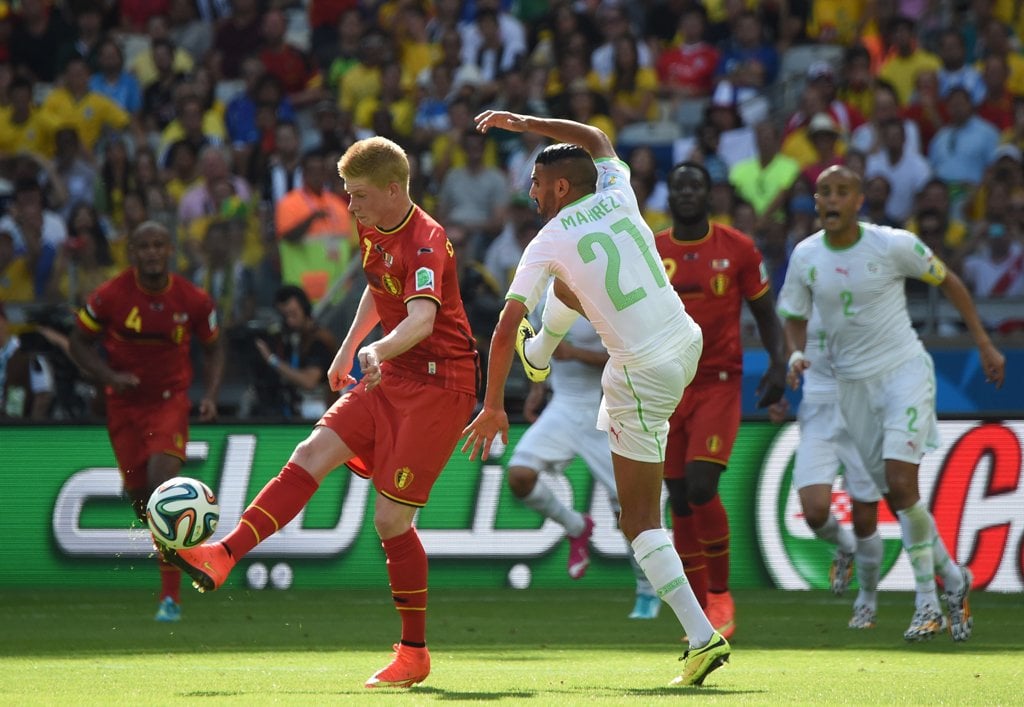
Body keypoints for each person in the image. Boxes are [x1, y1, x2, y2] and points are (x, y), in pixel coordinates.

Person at [159, 136, 479, 690]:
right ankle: (223, 554)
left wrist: (375, 349)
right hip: (394, 373)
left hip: (440, 385)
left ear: (393, 189)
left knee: (390, 521)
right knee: (311, 452)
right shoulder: (372, 226)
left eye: (357, 196)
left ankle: (414, 651)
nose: (349, 207)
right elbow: (377, 287)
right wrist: (349, 344)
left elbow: (423, 320)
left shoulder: (427, 240)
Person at [462, 110, 730, 687]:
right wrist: (525, 122)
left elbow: (504, 325)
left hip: (639, 372)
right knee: (569, 286)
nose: (531, 194)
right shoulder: (618, 189)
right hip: (685, 343)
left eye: (535, 184)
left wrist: (492, 404)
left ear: (559, 187)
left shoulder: (548, 237)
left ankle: (701, 638)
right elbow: (598, 138)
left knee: (638, 521)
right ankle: (544, 355)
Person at [777, 165, 1005, 642]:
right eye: (824, 192)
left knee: (902, 484)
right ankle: (955, 577)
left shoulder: (894, 244)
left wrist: (983, 343)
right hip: (850, 388)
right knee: (900, 497)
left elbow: (951, 282)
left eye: (843, 191)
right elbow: (794, 314)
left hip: (904, 373)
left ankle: (927, 604)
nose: (832, 199)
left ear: (860, 200)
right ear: (816, 202)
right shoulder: (805, 256)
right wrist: (797, 352)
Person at [654, 162, 787, 641]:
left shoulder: (738, 248)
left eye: (696, 185)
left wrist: (777, 364)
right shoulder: (654, 250)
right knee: (678, 498)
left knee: (701, 485)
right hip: (667, 383)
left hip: (717, 381)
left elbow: (766, 314)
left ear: (710, 195)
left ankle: (720, 593)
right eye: (679, 184)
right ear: (670, 195)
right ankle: (697, 618)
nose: (687, 192)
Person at [67, 222, 224, 622]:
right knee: (142, 503)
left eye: (158, 245)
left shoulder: (193, 299)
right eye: (143, 246)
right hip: (122, 406)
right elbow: (77, 342)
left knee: (161, 488)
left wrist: (208, 395)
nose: (152, 252)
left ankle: (170, 598)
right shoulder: (110, 297)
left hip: (170, 403)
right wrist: (109, 377)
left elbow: (215, 347)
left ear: (169, 249)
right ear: (132, 252)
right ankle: (179, 563)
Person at [505, 311, 660, 619]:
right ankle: (576, 526)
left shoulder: (603, 294)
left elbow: (628, 359)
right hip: (563, 404)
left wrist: (574, 352)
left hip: (605, 409)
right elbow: (538, 345)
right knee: (519, 475)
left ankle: (646, 589)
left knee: (627, 510)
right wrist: (538, 389)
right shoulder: (547, 289)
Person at [766, 308, 885, 630]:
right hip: (818, 411)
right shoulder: (807, 284)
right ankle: (845, 547)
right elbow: (792, 340)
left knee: (865, 519)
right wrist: (783, 383)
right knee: (814, 512)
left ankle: (867, 602)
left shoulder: (868, 287)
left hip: (863, 411)